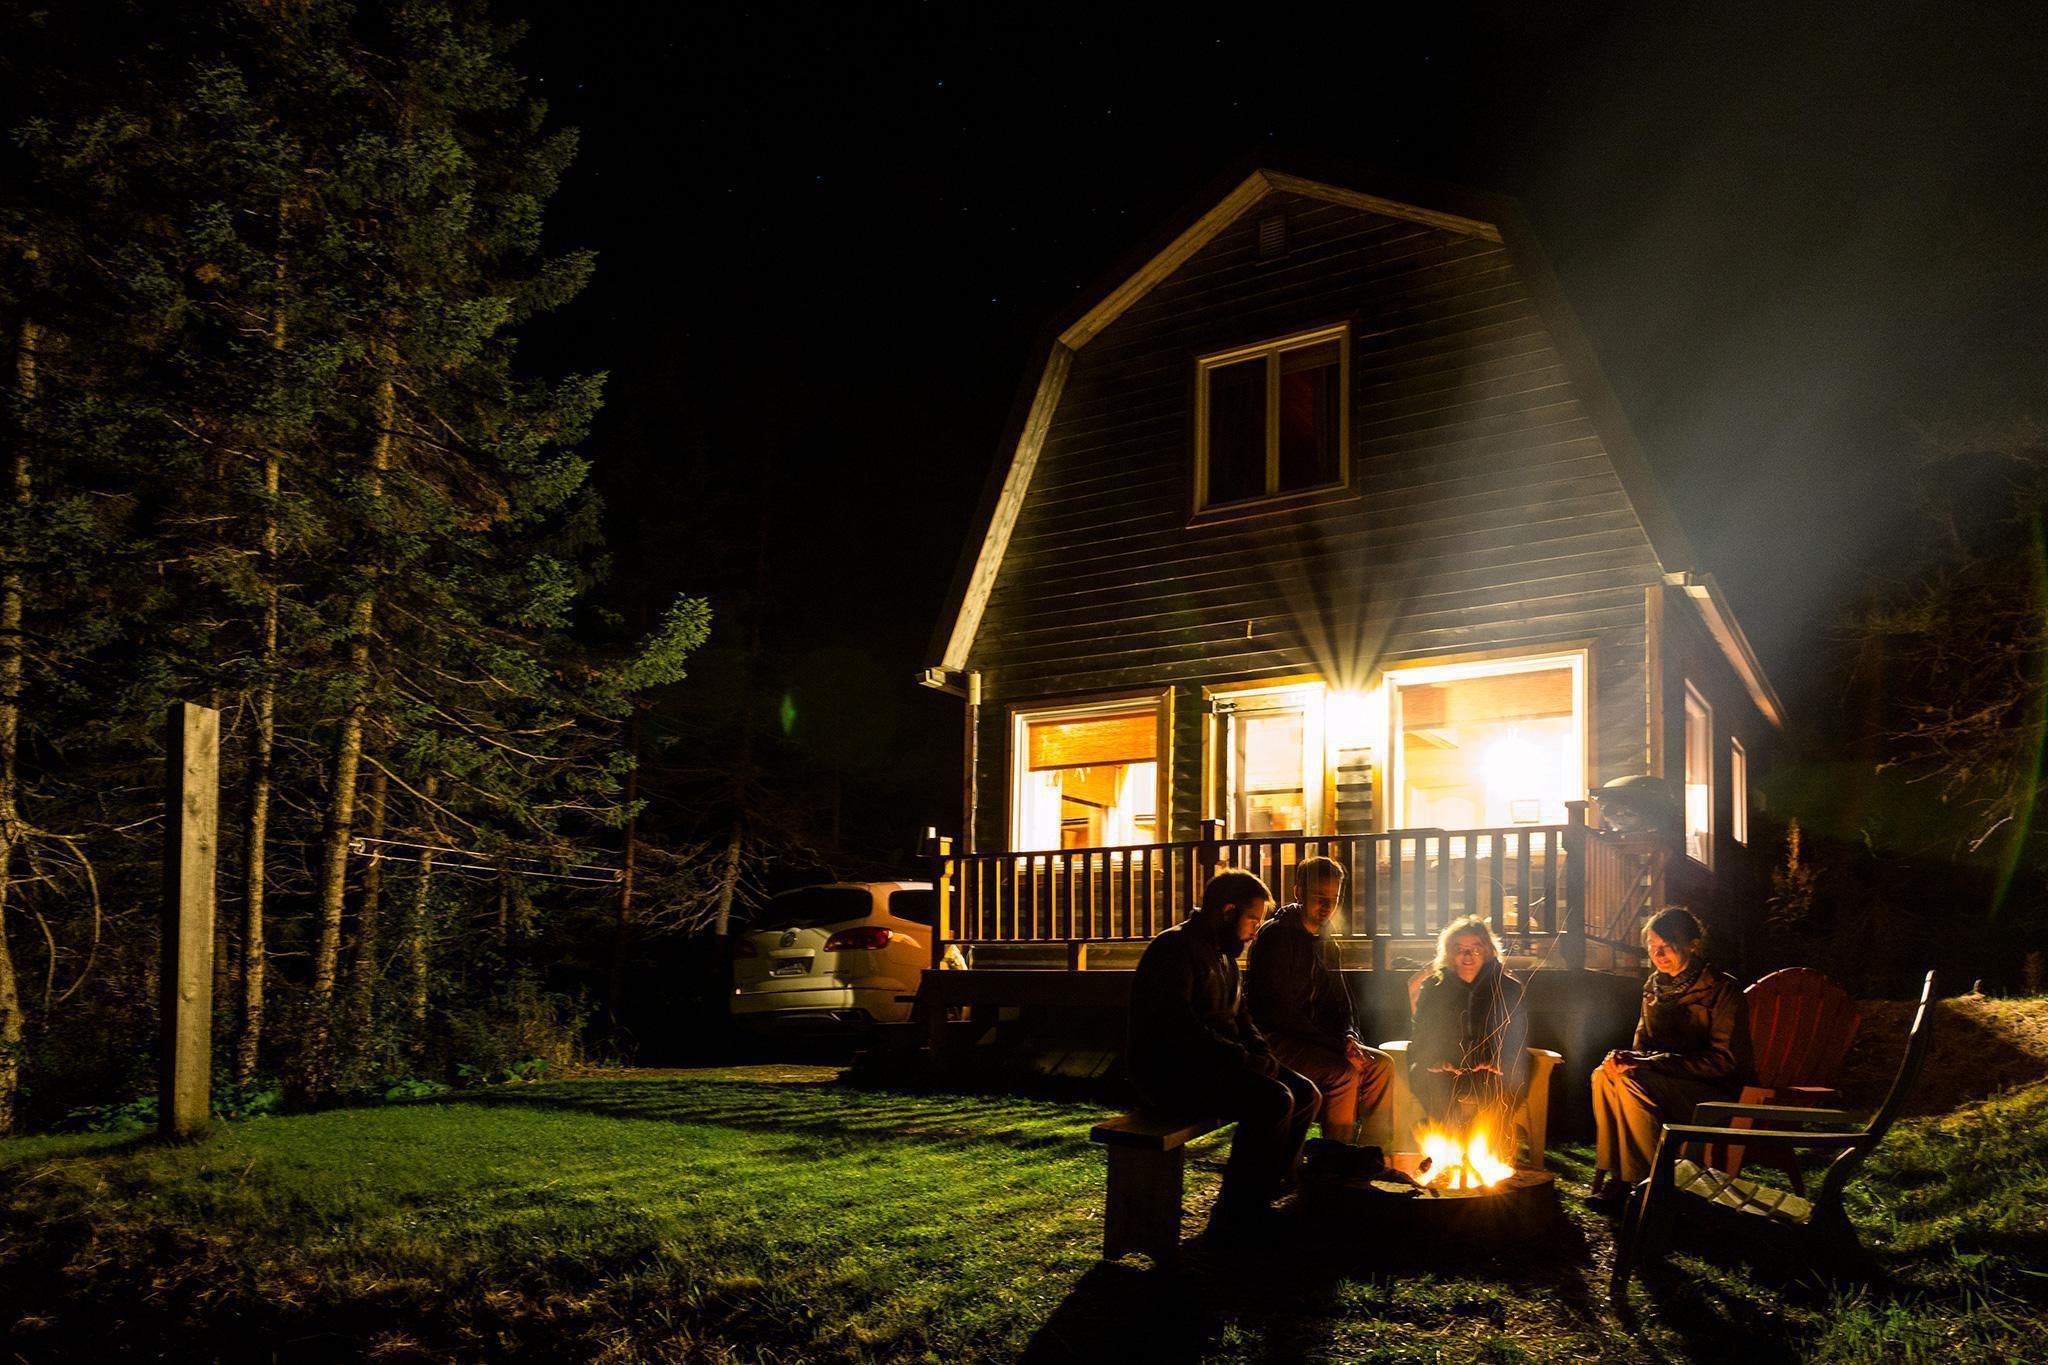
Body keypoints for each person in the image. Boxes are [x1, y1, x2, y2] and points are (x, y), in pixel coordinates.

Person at [1127, 867, 1319, 1238]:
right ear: (1228, 911)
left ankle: (1268, 1192)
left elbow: (1242, 1016)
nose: (1255, 931)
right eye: (1252, 920)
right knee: (1274, 1100)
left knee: (1306, 1093)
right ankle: (1236, 1215)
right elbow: (1179, 1030)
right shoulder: (1174, 949)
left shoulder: (1225, 955)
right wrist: (1243, 1060)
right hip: (1171, 1074)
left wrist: (1261, 1052)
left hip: (1215, 1066)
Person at [1588, 907, 1752, 1202]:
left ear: (1692, 944)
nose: (1658, 954)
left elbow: (1724, 1061)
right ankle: (1618, 1176)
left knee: (1631, 1080)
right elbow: (1641, 1047)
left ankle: (1648, 1185)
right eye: (1652, 946)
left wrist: (1653, 1063)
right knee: (1605, 1074)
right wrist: (1624, 1059)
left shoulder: (1721, 989)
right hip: (1662, 1082)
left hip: (1711, 1092)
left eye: (1667, 945)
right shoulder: (1654, 987)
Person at [1245, 856, 1391, 1144]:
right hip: (1276, 1039)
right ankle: (1335, 1157)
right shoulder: (1276, 937)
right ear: (1299, 892)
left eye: (1333, 899)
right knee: (1342, 1073)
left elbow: (1342, 1001)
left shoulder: (1328, 942)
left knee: (1381, 1066)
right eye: (1319, 897)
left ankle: (1374, 1153)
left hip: (1319, 1041)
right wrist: (1335, 1046)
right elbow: (1279, 1012)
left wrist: (1349, 1037)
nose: (1327, 906)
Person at [1408, 916, 1530, 1135]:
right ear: (1449, 952)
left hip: (1491, 1069)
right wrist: (1435, 1059)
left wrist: (1499, 1060)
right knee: (1431, 1083)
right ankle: (1451, 1143)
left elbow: (1517, 1036)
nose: (1467, 956)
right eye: (1460, 949)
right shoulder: (1435, 987)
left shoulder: (1506, 987)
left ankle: (1489, 1145)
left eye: (1475, 948)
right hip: (1445, 1069)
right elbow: (1421, 1034)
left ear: (1487, 950)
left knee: (1506, 1084)